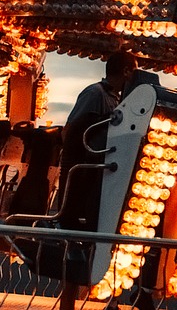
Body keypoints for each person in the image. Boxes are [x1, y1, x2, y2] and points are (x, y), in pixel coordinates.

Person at [59, 52, 138, 310]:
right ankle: (69, 304)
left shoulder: (119, 100)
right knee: (75, 247)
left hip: (102, 183)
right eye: (134, 70)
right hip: (83, 182)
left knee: (100, 246)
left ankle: (105, 300)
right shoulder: (95, 94)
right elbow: (72, 132)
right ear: (126, 71)